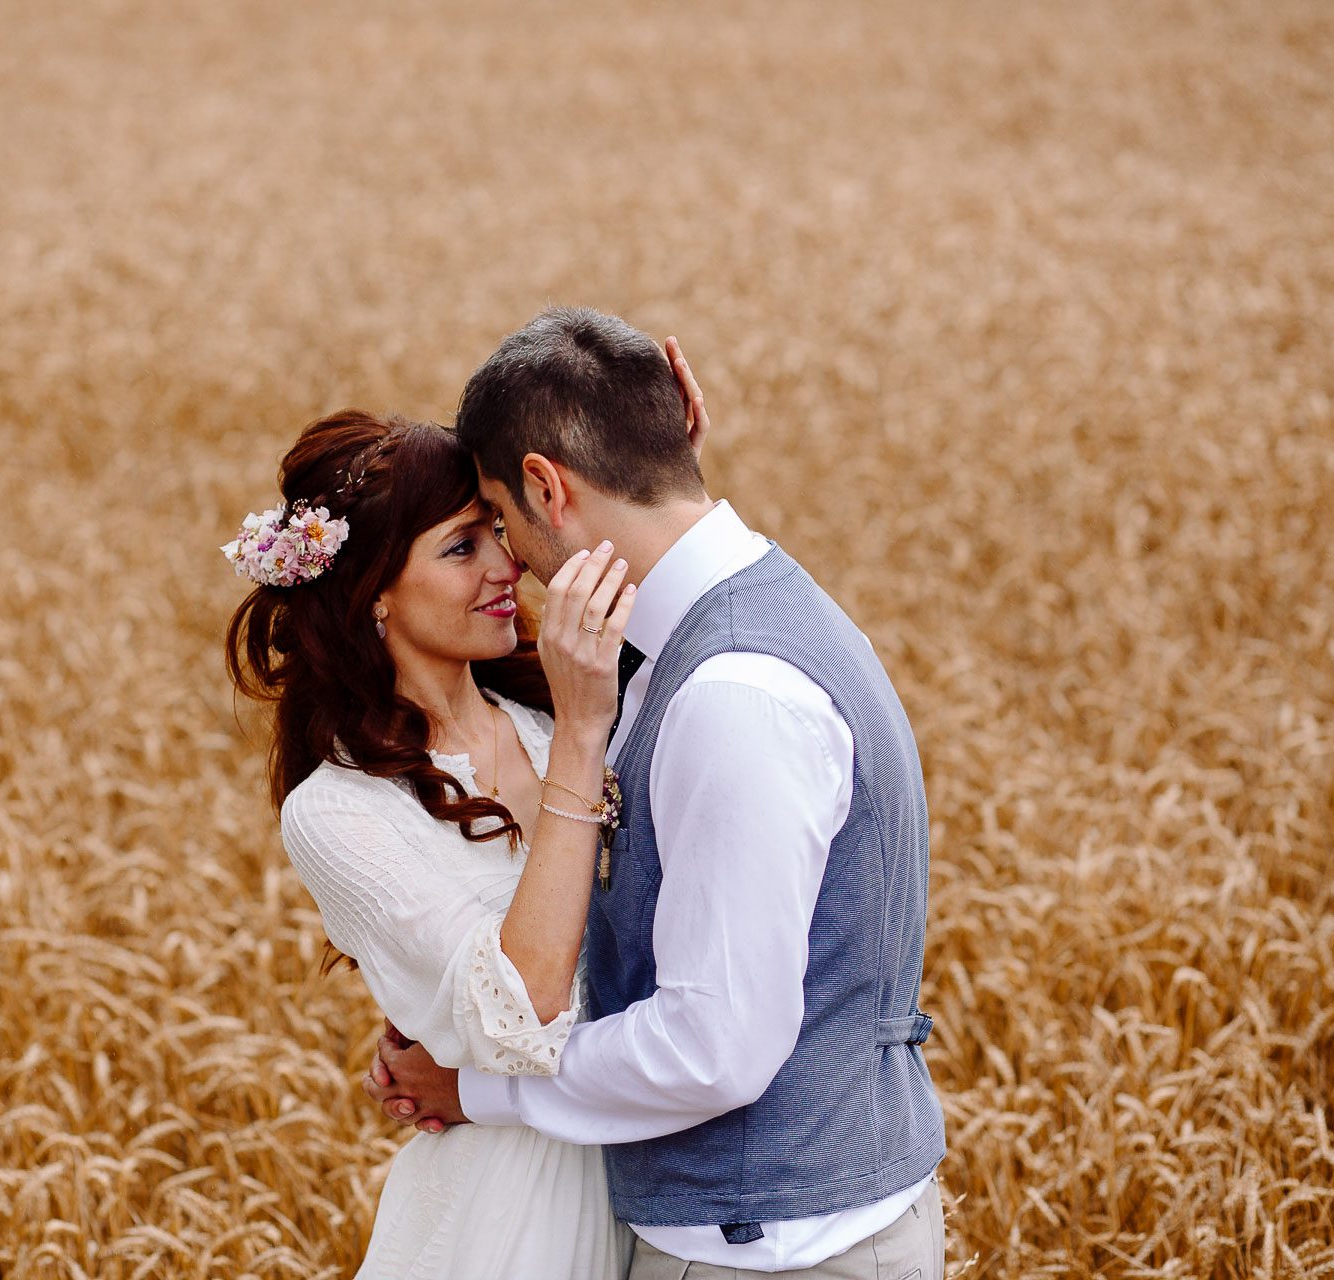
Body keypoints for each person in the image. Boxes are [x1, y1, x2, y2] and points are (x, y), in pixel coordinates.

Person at [363, 308, 948, 1279]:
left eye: (503, 520)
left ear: (547, 486)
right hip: (794, 1227)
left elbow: (713, 1046)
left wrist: (480, 1090)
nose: (512, 562)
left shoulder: (731, 696)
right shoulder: (748, 616)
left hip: (767, 1252)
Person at [223, 408, 645, 1278]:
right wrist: (580, 738)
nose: (507, 566)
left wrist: (658, 464)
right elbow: (521, 1007)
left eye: (497, 530)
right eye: (461, 548)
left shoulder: (554, 715)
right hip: (511, 1222)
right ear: (373, 591)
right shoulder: (339, 813)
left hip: (662, 1183)